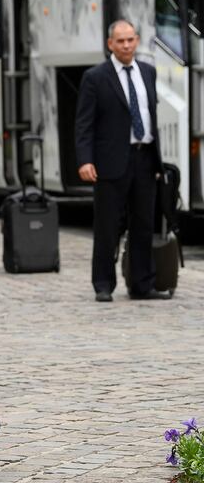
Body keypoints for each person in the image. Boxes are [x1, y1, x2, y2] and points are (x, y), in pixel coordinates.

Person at [75, 19, 170, 302]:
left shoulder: (148, 72)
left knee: (143, 225)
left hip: (144, 158)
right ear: (110, 44)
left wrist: (156, 160)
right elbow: (83, 123)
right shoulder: (95, 77)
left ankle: (142, 284)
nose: (126, 45)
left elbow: (150, 115)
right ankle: (103, 284)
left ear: (138, 40)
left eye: (130, 40)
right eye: (121, 41)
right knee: (107, 225)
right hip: (110, 161)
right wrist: (84, 160)